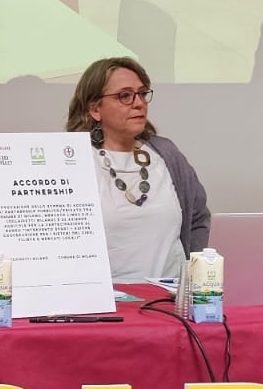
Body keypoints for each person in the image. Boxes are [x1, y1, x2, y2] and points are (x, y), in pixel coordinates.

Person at [66, 57, 210, 281]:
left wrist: (192, 278)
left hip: (167, 298)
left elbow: (198, 218)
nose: (139, 103)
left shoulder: (167, 153)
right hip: (103, 299)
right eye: (125, 96)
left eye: (142, 93)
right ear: (95, 109)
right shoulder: (74, 160)